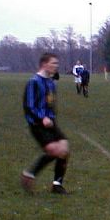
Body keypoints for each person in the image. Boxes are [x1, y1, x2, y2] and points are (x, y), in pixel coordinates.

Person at [21, 52, 70, 195]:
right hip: (37, 124)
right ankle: (30, 174)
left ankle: (57, 184)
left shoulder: (50, 82)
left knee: (64, 149)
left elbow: (50, 103)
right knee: (54, 150)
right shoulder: (33, 82)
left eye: (57, 63)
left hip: (50, 122)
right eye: (53, 63)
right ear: (44, 64)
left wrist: (51, 117)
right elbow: (29, 106)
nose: (56, 66)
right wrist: (42, 118)